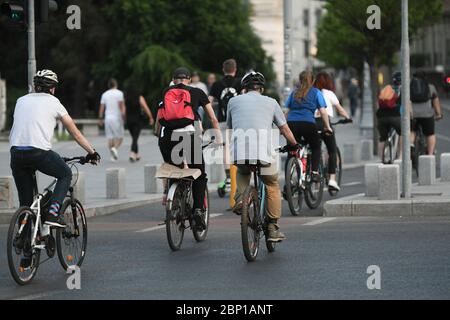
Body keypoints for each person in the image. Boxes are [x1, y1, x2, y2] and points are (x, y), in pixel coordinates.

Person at [10, 70, 100, 268]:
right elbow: (74, 132)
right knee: (65, 173)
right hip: (39, 153)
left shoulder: (21, 100)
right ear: (52, 88)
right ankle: (53, 213)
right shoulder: (54, 102)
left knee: (26, 204)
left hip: (16, 154)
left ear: (35, 86)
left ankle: (26, 250)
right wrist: (92, 152)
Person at [227, 71, 298, 242]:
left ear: (244, 88)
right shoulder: (271, 102)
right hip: (263, 153)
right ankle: (272, 228)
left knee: (243, 172)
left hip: (241, 152)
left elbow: (230, 126)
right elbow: (284, 129)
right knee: (271, 183)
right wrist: (294, 145)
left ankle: (240, 200)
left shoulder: (233, 101)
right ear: (262, 88)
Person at [156, 67, 221, 230]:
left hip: (167, 138)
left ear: (173, 79)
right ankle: (198, 210)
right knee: (199, 173)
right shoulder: (197, 92)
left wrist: (159, 137)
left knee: (172, 168)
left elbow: (159, 119)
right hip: (188, 137)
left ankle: (173, 200)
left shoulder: (166, 91)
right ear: (190, 79)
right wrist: (218, 138)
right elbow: (212, 118)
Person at [285, 71, 333, 183]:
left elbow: (286, 112)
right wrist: (327, 127)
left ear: (300, 80)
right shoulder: (316, 92)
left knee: (291, 150)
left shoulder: (293, 93)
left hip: (292, 124)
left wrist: (283, 128)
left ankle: (289, 180)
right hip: (308, 124)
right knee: (316, 147)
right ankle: (314, 172)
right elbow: (323, 112)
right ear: (312, 81)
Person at [209, 59, 243, 192]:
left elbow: (210, 102)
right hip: (239, 120)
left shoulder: (217, 84)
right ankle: (240, 175)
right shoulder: (241, 82)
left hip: (223, 120)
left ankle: (228, 178)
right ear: (235, 69)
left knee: (226, 148)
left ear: (223, 69)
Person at [314, 72, 351, 191]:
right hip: (325, 122)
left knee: (315, 148)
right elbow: (340, 110)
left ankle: (313, 172)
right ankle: (332, 180)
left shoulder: (311, 93)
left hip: (312, 123)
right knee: (332, 150)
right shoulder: (329, 94)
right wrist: (348, 118)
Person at [410, 72, 443, 155]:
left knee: (412, 131)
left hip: (413, 115)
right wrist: (438, 114)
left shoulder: (409, 87)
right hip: (427, 115)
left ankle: (411, 145)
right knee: (430, 134)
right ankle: (430, 154)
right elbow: (435, 101)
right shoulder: (430, 87)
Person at [125, 82, 155, 162]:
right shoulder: (139, 97)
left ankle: (137, 154)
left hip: (129, 120)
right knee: (135, 138)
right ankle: (132, 153)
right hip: (137, 120)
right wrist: (151, 117)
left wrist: (125, 119)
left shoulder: (126, 98)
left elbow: (124, 110)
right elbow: (145, 107)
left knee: (134, 137)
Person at [376, 72, 403, 161]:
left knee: (382, 138)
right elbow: (407, 105)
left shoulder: (386, 89)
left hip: (381, 116)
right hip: (395, 116)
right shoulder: (403, 90)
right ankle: (400, 155)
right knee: (403, 133)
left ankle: (381, 158)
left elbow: (379, 103)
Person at [99, 79, 126, 162]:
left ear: (109, 85)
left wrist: (100, 118)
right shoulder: (119, 93)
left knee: (110, 137)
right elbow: (121, 106)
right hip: (117, 118)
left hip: (107, 118)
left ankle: (112, 156)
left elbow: (102, 107)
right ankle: (115, 148)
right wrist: (123, 115)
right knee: (120, 137)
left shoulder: (104, 94)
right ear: (116, 85)